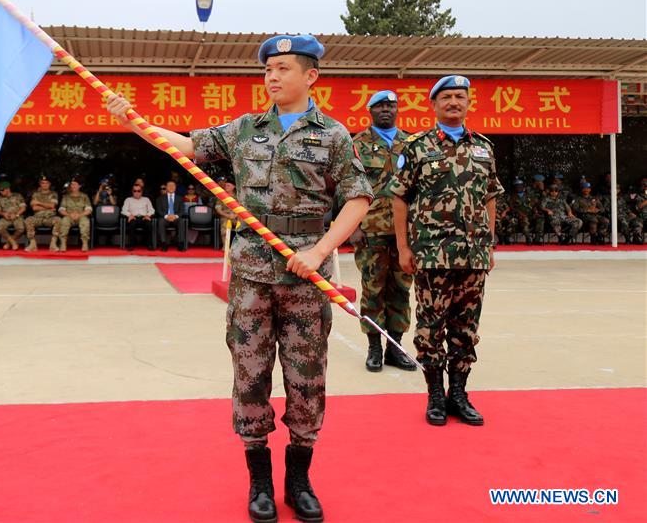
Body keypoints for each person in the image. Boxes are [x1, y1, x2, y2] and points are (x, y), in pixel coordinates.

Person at [107, 34, 372, 523]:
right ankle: (260, 483)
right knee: (250, 378)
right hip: (252, 275)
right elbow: (187, 145)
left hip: (305, 277)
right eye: (268, 68)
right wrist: (135, 123)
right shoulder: (245, 129)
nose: (272, 76)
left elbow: (357, 197)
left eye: (284, 68)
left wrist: (319, 251)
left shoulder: (333, 135)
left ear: (311, 76)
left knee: (307, 381)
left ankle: (299, 480)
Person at [388, 75, 502, 428]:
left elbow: (490, 198)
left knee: (466, 328)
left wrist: (489, 243)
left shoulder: (483, 148)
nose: (454, 102)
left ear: (468, 103)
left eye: (460, 97)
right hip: (432, 255)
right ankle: (435, 395)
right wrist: (403, 247)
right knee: (430, 328)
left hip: (473, 256)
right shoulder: (417, 147)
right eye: (447, 97)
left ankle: (460, 394)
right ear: (434, 105)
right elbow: (399, 198)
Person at [348, 89, 415, 372]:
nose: (386, 110)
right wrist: (352, 226)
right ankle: (374, 347)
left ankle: (395, 348)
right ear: (370, 111)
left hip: (405, 232)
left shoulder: (411, 144)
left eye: (391, 105)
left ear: (397, 109)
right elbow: (346, 186)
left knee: (400, 289)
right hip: (370, 229)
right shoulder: (357, 144)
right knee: (373, 290)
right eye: (380, 106)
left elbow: (419, 188)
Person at [25, 175, 60, 252]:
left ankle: (53, 244)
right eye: (43, 183)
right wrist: (48, 206)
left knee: (58, 220)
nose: (45, 185)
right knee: (28, 220)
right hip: (38, 217)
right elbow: (34, 208)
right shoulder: (35, 194)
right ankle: (32, 244)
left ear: (49, 184)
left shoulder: (54, 194)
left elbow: (52, 205)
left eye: (46, 183)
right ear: (40, 184)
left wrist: (38, 203)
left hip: (50, 218)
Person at [57, 178, 92, 252]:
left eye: (75, 184)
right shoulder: (66, 197)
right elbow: (61, 209)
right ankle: (63, 243)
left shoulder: (84, 196)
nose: (72, 186)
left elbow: (89, 210)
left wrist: (80, 215)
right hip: (69, 216)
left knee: (85, 222)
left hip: (81, 216)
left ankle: (85, 243)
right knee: (64, 221)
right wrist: (69, 215)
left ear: (79, 186)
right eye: (71, 184)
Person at [121, 184, 155, 250]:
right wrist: (129, 215)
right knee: (132, 223)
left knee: (149, 224)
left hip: (144, 217)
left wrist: (148, 215)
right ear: (132, 191)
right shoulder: (128, 199)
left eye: (138, 191)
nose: (136, 192)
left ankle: (149, 244)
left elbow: (152, 210)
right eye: (135, 191)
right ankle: (131, 245)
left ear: (142, 191)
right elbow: (123, 210)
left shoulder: (146, 199)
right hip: (133, 217)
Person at [0, 180, 26, 250]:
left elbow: (23, 208)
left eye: (2, 190)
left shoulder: (18, 196)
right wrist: (3, 214)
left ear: (8, 189)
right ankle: (13, 242)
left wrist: (16, 215)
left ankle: (8, 243)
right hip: (6, 217)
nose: (0, 192)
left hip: (17, 216)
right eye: (0, 190)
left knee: (21, 228)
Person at [156, 180, 185, 251]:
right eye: (169, 185)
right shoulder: (160, 198)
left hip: (176, 218)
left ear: (175, 187)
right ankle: (164, 243)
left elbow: (182, 210)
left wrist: (175, 216)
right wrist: (167, 216)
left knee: (181, 221)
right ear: (166, 187)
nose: (171, 187)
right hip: (165, 218)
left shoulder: (180, 198)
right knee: (161, 221)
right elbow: (159, 210)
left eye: (173, 185)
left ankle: (180, 243)